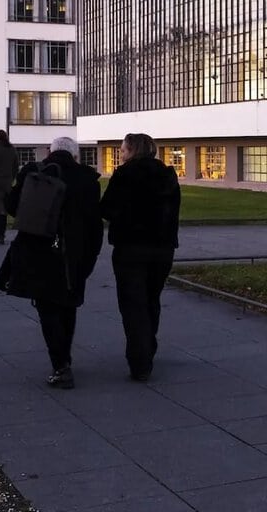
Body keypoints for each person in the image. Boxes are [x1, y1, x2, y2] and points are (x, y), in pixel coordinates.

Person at [0, 137, 104, 389]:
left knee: (46, 307)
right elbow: (94, 224)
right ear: (75, 156)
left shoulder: (33, 172)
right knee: (68, 304)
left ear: (49, 152)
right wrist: (90, 257)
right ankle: (64, 358)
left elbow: (12, 207)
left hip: (36, 251)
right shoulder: (87, 180)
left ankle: (61, 364)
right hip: (72, 253)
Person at [100, 132, 180, 382]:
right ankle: (148, 347)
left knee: (132, 304)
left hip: (131, 247)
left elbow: (107, 209)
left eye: (123, 150)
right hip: (162, 248)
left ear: (133, 150)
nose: (120, 154)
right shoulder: (168, 175)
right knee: (151, 299)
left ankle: (140, 360)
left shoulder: (124, 175)